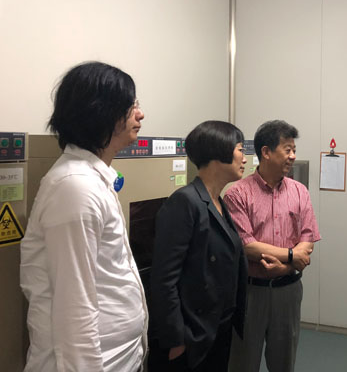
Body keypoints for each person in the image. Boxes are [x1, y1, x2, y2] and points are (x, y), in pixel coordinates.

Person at [20, 61, 147, 371]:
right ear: (101, 111)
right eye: (131, 106)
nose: (140, 114)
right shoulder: (75, 186)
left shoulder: (91, 179)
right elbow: (73, 305)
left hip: (117, 358)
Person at [149, 121, 248, 372]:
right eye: (240, 149)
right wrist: (176, 339)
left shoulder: (218, 202)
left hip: (217, 328)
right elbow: (164, 278)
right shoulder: (185, 202)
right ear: (218, 153)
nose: (245, 158)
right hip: (191, 336)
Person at [224, 120, 320, 372]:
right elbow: (247, 246)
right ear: (266, 152)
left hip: (288, 291)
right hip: (250, 292)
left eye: (294, 150)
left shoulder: (300, 191)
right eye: (287, 149)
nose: (293, 156)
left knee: (284, 362)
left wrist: (287, 266)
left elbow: (308, 237)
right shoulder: (238, 194)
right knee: (243, 362)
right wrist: (291, 255)